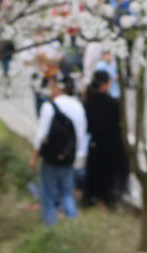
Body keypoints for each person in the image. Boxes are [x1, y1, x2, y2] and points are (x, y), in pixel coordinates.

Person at [31, 71, 88, 225]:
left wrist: (34, 158)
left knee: (47, 194)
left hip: (51, 158)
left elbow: (40, 135)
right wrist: (77, 156)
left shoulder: (49, 107)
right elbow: (81, 135)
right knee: (66, 193)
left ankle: (51, 228)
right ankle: (72, 226)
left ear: (56, 87)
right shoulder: (78, 106)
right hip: (69, 157)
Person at [82, 69, 128, 208]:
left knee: (94, 180)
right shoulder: (114, 104)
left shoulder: (88, 102)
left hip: (95, 146)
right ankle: (107, 203)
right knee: (108, 183)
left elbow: (88, 127)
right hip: (112, 148)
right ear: (107, 83)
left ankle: (92, 202)